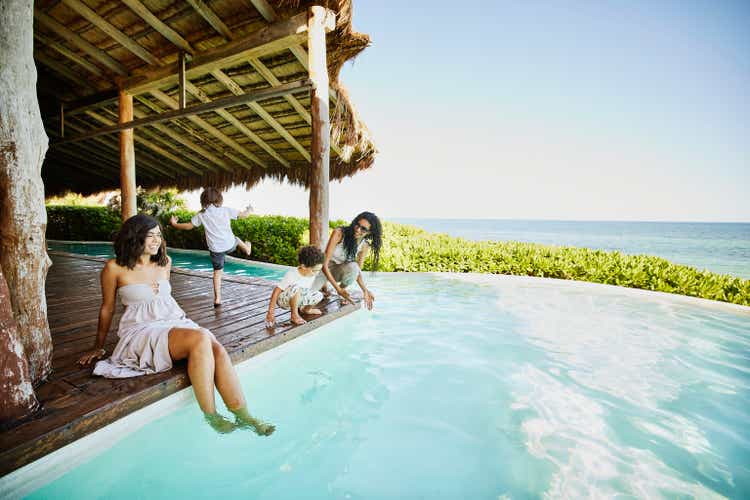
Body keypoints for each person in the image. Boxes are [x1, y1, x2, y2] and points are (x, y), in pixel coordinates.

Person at [77, 214, 273, 436]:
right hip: (141, 330)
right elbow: (107, 309)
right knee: (201, 338)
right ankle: (211, 416)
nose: (156, 241)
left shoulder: (165, 262)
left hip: (173, 320)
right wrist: (98, 345)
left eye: (158, 236)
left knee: (215, 345)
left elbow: (164, 301)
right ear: (134, 237)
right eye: (149, 236)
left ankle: (245, 416)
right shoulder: (114, 268)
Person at [169, 187, 252, 307]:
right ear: (219, 199)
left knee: (217, 274)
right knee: (237, 239)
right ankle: (247, 249)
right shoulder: (225, 210)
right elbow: (244, 215)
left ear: (203, 201)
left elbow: (188, 226)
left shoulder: (202, 214)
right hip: (229, 244)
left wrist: (174, 224)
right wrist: (249, 209)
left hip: (216, 249)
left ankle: (217, 299)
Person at [312, 212, 382, 310]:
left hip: (338, 272)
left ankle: (341, 290)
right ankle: (325, 286)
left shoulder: (364, 245)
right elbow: (324, 264)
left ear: (370, 232)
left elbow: (357, 271)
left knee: (354, 267)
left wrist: (365, 290)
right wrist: (338, 289)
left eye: (363, 229)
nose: (358, 229)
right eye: (357, 225)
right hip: (323, 269)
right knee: (306, 300)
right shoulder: (339, 233)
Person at [266, 246, 325, 328]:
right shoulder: (292, 274)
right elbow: (276, 291)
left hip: (298, 299)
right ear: (303, 266)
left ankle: (306, 310)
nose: (317, 273)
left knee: (319, 295)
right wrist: (271, 312)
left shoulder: (312, 274)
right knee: (296, 288)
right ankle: (294, 315)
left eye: (319, 270)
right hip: (284, 300)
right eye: (315, 270)